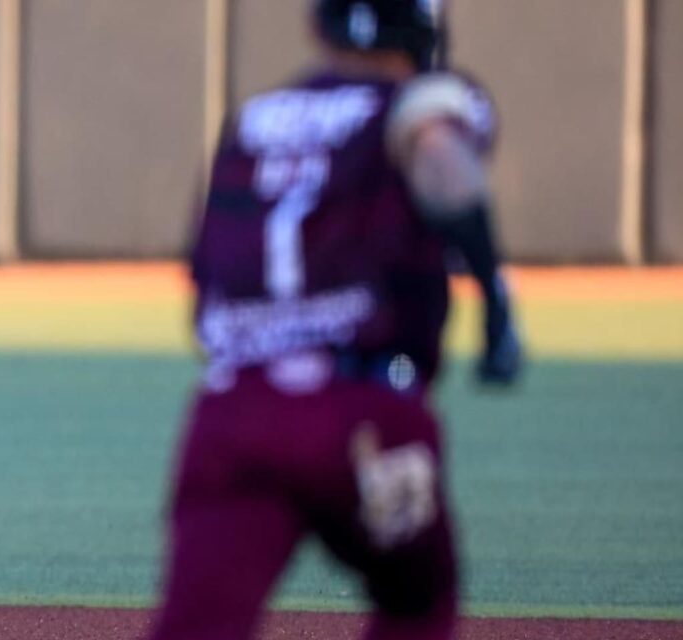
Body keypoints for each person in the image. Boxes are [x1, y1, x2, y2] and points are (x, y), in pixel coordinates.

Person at [148, 1, 522, 639]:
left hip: (235, 414)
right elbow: (440, 152)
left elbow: (206, 265)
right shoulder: (416, 104)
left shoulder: (252, 120)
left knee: (196, 626)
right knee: (417, 600)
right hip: (366, 413)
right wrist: (493, 296)